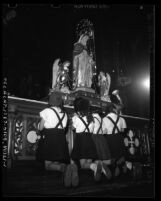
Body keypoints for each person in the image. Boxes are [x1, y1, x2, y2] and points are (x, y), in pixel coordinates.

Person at [36, 91, 71, 187]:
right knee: (55, 160)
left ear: (50, 100)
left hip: (50, 139)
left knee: (48, 165)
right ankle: (64, 171)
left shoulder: (47, 111)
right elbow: (64, 128)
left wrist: (39, 124)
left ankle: (64, 168)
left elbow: (41, 128)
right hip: (60, 139)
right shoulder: (65, 114)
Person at [70, 97, 102, 185]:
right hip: (90, 140)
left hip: (81, 141)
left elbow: (73, 128)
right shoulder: (91, 118)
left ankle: (95, 167)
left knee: (82, 164)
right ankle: (96, 167)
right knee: (88, 162)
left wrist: (73, 120)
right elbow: (92, 130)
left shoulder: (76, 118)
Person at [102, 102, 127, 177]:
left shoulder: (104, 119)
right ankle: (120, 165)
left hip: (110, 138)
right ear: (113, 109)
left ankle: (115, 167)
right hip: (119, 137)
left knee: (112, 155)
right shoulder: (121, 118)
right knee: (120, 153)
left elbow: (104, 131)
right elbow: (123, 130)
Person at [92, 111, 112, 180]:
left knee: (93, 158)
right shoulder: (101, 119)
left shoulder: (91, 117)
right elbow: (105, 131)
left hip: (93, 138)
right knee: (106, 158)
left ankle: (98, 166)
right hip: (102, 138)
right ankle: (102, 166)